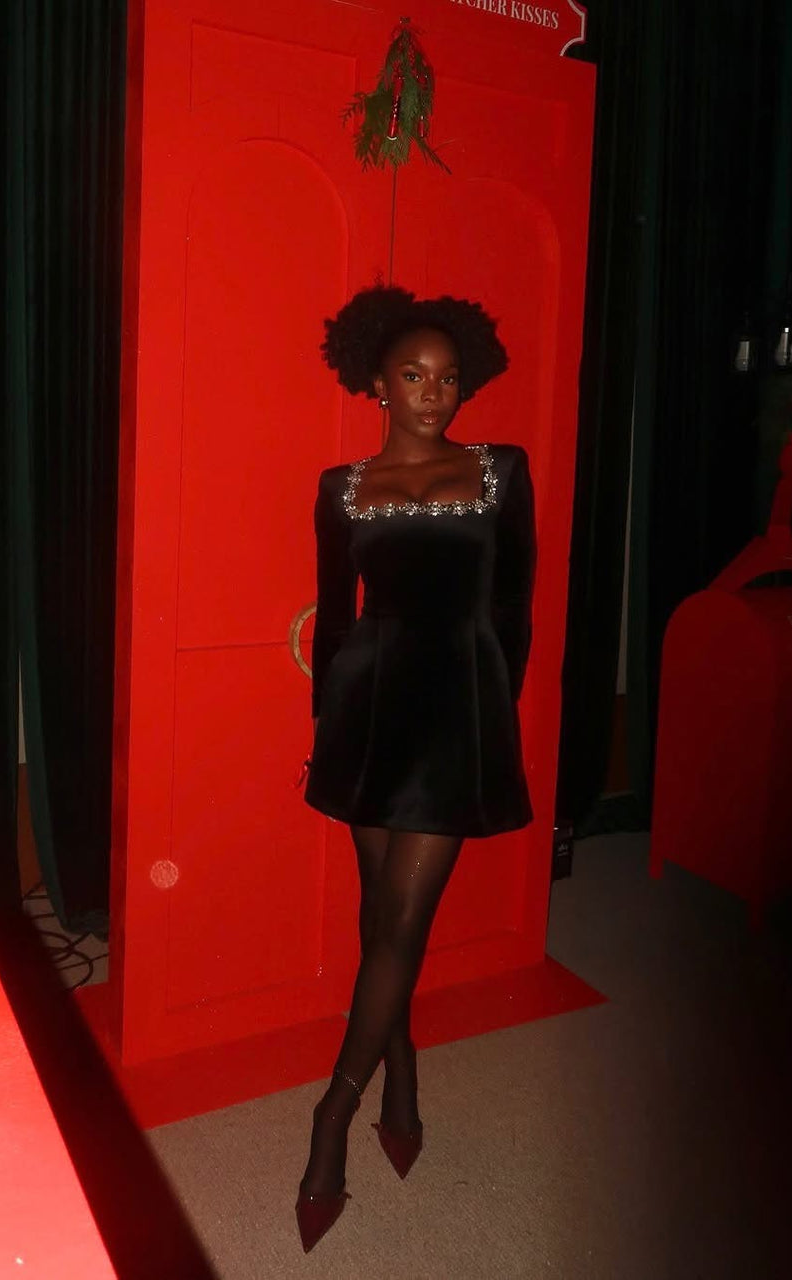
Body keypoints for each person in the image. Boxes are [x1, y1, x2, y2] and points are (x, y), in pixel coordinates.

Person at [296, 284, 536, 1251]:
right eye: (414, 375)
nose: (435, 394)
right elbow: (337, 615)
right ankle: (401, 1077)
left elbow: (513, 612)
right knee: (376, 917)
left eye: (448, 377)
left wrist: (489, 717)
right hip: (366, 710)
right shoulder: (339, 486)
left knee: (401, 920)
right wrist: (329, 731)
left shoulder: (500, 470)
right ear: (378, 383)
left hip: (455, 717)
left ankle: (331, 1120)